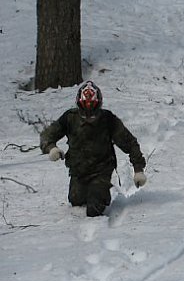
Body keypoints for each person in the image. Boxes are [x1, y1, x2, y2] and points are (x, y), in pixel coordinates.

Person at [40, 81, 147, 217]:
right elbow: (47, 135)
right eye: (85, 109)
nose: (89, 115)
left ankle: (102, 194)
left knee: (94, 207)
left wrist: (138, 169)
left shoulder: (108, 120)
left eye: (93, 109)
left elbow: (130, 143)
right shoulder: (69, 118)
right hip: (78, 172)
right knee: (76, 201)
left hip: (101, 172)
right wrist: (51, 148)